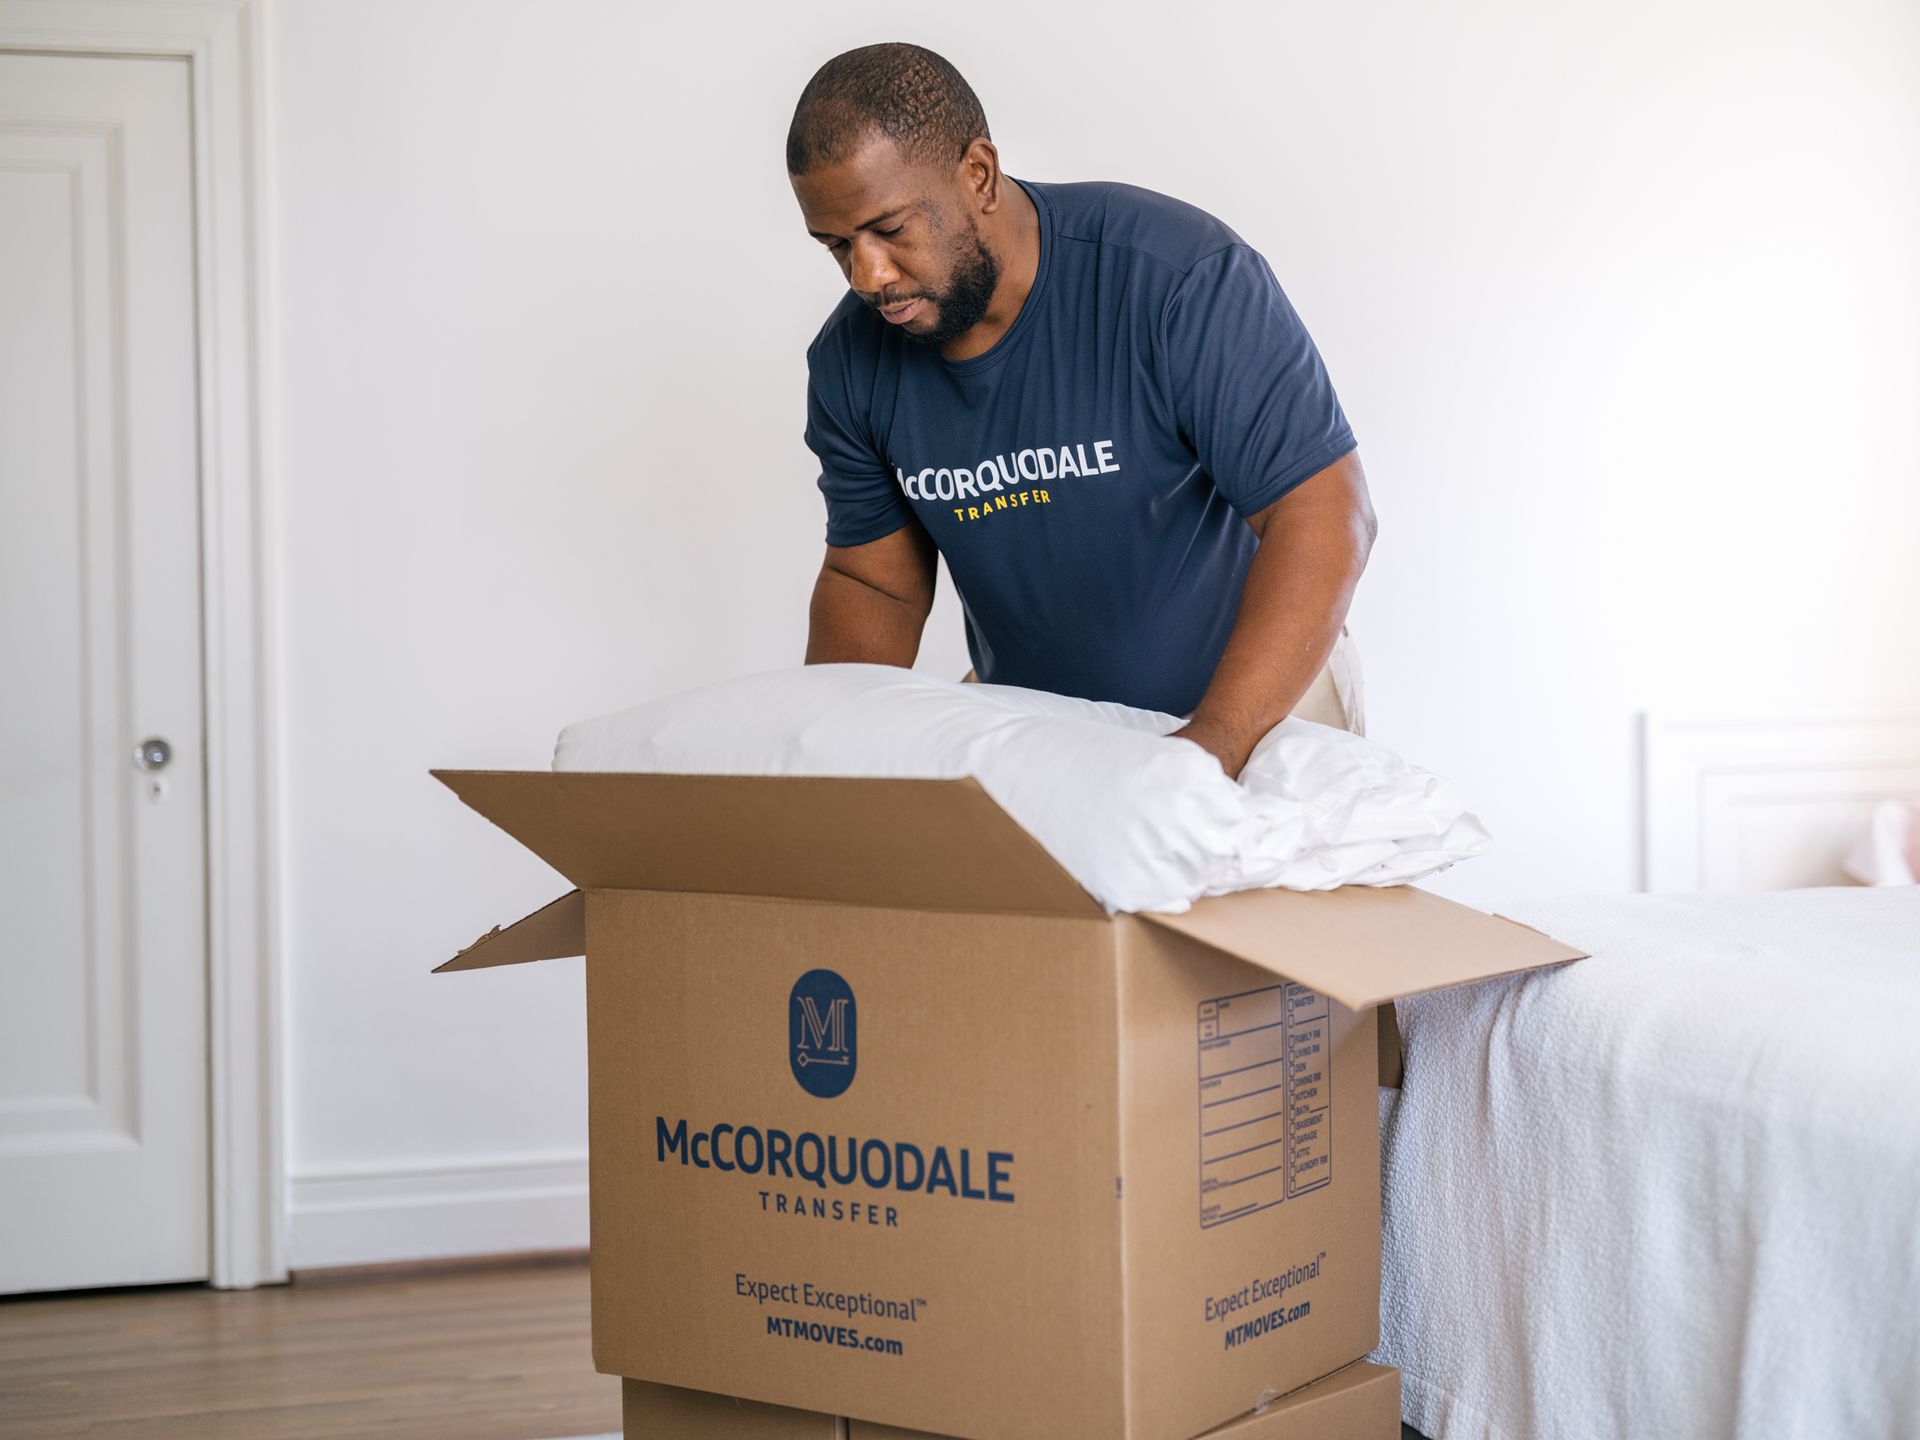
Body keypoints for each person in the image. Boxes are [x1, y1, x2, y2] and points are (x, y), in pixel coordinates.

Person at [788, 43, 1376, 777]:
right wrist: (825, 764)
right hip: (1044, 726)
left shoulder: (1176, 278)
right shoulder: (850, 360)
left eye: (890, 229)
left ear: (979, 174)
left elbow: (1322, 513)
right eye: (837, 245)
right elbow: (874, 584)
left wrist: (1212, 746)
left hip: (1259, 710)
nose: (868, 275)